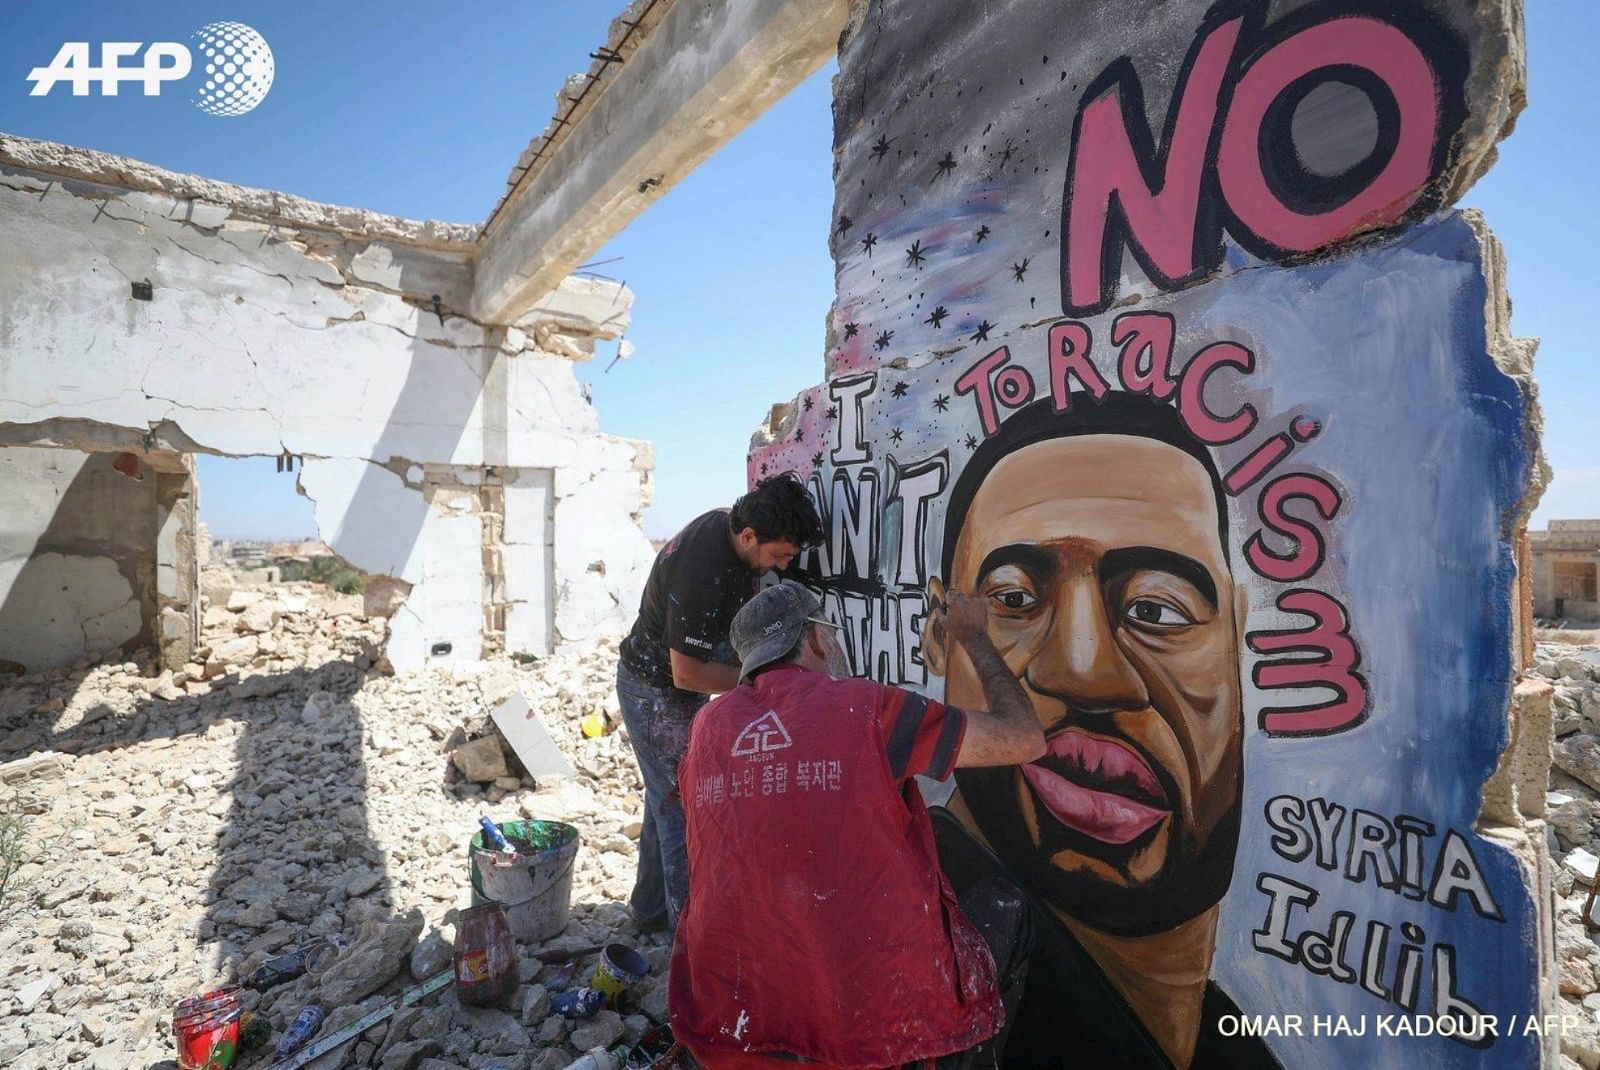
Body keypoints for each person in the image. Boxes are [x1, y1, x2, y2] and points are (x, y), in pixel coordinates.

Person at [921, 394, 1279, 1069]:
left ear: (1239, 644)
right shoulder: (937, 954)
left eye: (1156, 608)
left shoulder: (1232, 1044)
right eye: (1014, 600)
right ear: (941, 638)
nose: (1085, 673)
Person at [669, 580, 1047, 1070]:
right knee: (1004, 908)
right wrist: (973, 636)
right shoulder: (867, 707)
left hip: (729, 1028)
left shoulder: (706, 729)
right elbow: (1024, 738)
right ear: (817, 640)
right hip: (874, 1039)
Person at [617, 475, 824, 933]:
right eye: (779, 556)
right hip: (653, 691)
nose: (782, 566)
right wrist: (762, 684)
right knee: (680, 804)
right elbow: (686, 673)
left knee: (664, 794)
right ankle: (689, 940)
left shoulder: (728, 531)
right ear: (748, 536)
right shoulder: (703, 569)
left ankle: (649, 910)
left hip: (671, 684)